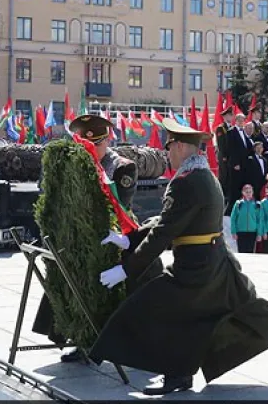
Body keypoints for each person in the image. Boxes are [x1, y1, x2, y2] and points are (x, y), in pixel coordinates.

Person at [88, 118, 268, 395]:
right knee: (259, 315)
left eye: (168, 148)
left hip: (195, 271)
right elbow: (169, 221)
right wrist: (129, 238)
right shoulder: (203, 175)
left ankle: (167, 371)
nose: (166, 154)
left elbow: (165, 230)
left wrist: (127, 268)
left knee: (145, 307)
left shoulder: (187, 183)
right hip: (218, 265)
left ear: (179, 146)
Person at [32, 114, 162, 362]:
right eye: (86, 146)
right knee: (69, 280)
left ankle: (114, 342)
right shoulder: (76, 165)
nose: (92, 150)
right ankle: (80, 339)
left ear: (106, 141)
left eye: (96, 145)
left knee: (122, 287)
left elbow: (120, 206)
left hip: (116, 236)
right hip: (80, 235)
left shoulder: (122, 166)